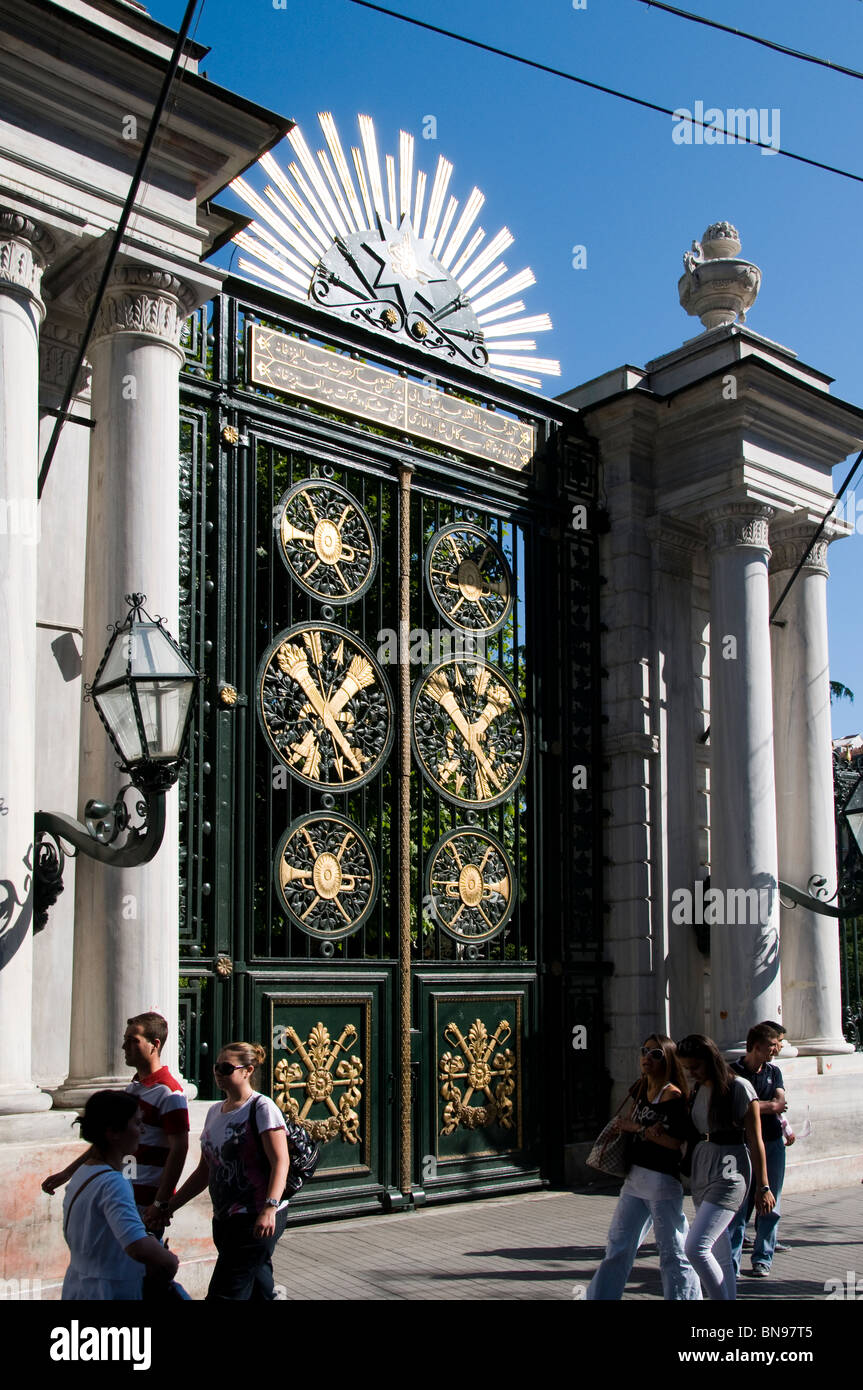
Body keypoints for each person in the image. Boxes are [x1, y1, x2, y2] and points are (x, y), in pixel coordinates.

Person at [165, 1041, 290, 1300]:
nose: (219, 1073)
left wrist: (270, 1208)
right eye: (216, 1067)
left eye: (226, 1067)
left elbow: (281, 1161)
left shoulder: (261, 1107)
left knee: (225, 1293)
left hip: (255, 1217)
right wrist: (171, 1205)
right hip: (224, 1219)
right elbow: (204, 1170)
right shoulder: (214, 1112)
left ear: (247, 1071)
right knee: (258, 1288)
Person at [43, 1012, 190, 1232]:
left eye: (133, 1041)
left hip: (146, 1204)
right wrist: (67, 1173)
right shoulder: (134, 1088)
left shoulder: (169, 1093)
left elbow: (179, 1149)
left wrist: (160, 1203)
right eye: (125, 1039)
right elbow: (107, 1143)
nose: (124, 1047)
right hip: (122, 1194)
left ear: (154, 1045)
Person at [586, 1034, 701, 1300]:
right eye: (644, 1052)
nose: (646, 1058)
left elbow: (675, 1143)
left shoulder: (673, 1096)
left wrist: (640, 1129)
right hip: (635, 1179)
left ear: (668, 1059)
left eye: (655, 1054)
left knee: (672, 1251)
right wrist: (637, 1130)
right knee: (618, 1246)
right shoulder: (640, 1088)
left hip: (661, 1182)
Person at [676, 1034, 775, 1301]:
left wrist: (763, 1186)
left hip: (731, 1173)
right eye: (686, 1068)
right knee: (719, 1253)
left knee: (695, 1247)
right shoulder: (698, 1090)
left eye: (695, 1066)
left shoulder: (739, 1088)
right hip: (703, 1169)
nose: (691, 1073)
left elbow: (756, 1141)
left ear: (710, 1060)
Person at [61, 1091, 178, 1300]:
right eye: (136, 1123)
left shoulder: (84, 1172)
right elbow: (137, 1246)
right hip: (109, 1291)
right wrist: (169, 1261)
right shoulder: (113, 1182)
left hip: (78, 1285)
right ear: (114, 1132)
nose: (142, 1130)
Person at [728, 1023, 788, 1276]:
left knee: (770, 1202)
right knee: (738, 1205)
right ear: (756, 1045)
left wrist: (755, 1106)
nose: (777, 1048)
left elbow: (781, 1102)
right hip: (741, 1145)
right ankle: (730, 1262)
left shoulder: (773, 1071)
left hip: (772, 1141)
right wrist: (767, 1106)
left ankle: (763, 1258)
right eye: (773, 1044)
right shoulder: (733, 1072)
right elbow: (734, 1110)